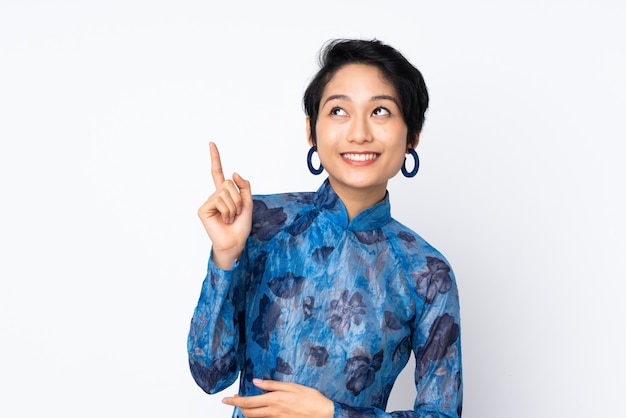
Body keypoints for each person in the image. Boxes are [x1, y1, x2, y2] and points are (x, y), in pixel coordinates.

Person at [187, 38, 462, 417]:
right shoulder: (262, 222)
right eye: (338, 111)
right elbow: (209, 374)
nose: (359, 133)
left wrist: (332, 415)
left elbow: (442, 414)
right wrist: (225, 258)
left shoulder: (426, 273)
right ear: (311, 131)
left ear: (412, 135)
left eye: (380, 111)